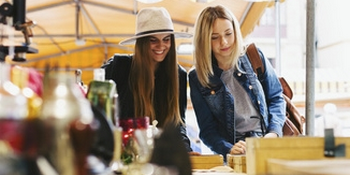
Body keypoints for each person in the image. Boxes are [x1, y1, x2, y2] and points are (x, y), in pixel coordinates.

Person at [188, 5, 286, 157]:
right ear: (204, 40)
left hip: (266, 143)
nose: (224, 42)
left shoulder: (254, 55)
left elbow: (276, 97)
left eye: (228, 33)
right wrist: (228, 148)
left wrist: (273, 133)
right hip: (235, 153)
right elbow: (207, 130)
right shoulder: (198, 77)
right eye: (214, 37)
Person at [101, 7, 194, 152]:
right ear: (142, 42)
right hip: (122, 155)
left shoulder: (179, 75)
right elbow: (98, 113)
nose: (161, 46)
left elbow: (178, 125)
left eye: (166, 39)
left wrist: (186, 152)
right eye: (153, 40)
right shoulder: (118, 67)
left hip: (161, 159)